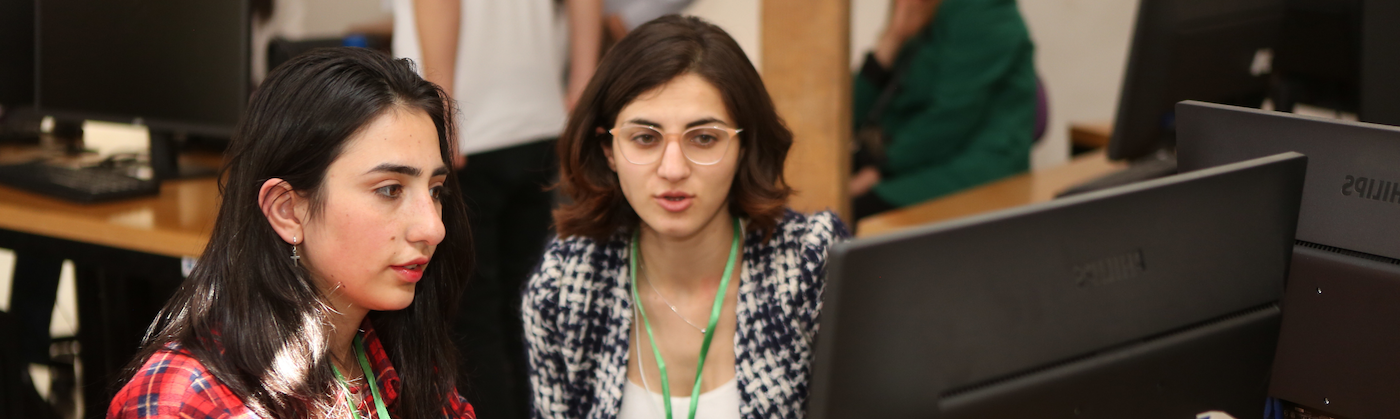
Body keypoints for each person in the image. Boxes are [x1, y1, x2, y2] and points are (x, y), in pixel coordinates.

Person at [106, 48, 476, 419]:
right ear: (287, 211)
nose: (434, 228)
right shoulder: (188, 402)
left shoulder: (398, 361)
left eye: (435, 191)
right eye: (390, 190)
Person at [524, 15, 849, 419]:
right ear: (607, 150)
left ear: (743, 146)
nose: (673, 169)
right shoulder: (565, 284)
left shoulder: (809, 262)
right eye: (645, 138)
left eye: (704, 138)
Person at [390, 2, 602, 416]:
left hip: (469, 132)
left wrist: (440, 109)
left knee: (469, 319)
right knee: (524, 312)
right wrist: (583, 80)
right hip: (537, 119)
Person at [849, 0, 1037, 221]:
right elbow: (849, 116)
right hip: (910, 155)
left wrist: (878, 170)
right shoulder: (923, 9)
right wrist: (892, 40)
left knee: (844, 213)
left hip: (970, 168)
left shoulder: (984, 12)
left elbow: (951, 117)